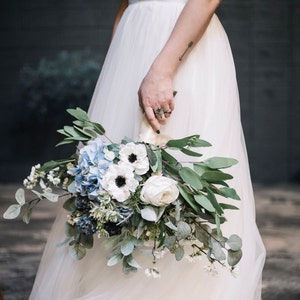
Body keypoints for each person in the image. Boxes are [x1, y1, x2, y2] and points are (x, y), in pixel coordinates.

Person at [30, 0, 266, 299]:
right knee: (114, 178)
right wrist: (119, 63)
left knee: (175, 171)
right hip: (134, 38)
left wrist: (162, 69)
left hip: (177, 39)